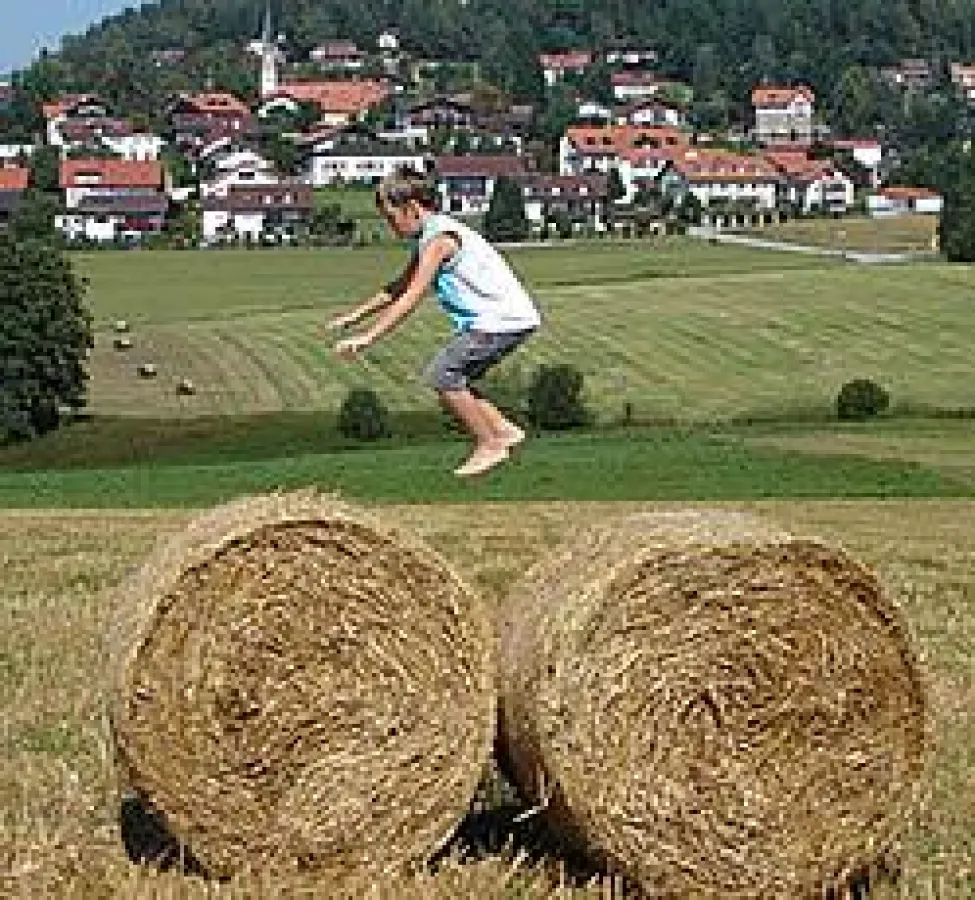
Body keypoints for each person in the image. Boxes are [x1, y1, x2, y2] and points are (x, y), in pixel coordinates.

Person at [325, 168, 541, 478]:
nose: (390, 225)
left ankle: (489, 443)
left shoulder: (440, 240)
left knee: (443, 375)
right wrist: (356, 316)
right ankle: (503, 430)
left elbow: (411, 296)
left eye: (390, 217)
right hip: (508, 319)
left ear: (411, 208)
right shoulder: (431, 237)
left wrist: (368, 337)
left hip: (497, 321)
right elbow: (400, 285)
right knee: (456, 379)